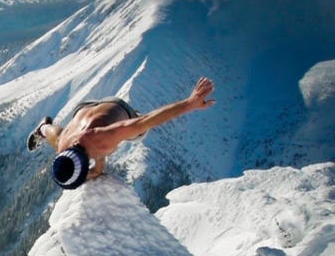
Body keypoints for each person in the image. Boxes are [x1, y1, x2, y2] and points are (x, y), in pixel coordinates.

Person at [27, 77, 216, 189]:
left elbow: (147, 121)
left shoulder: (105, 138)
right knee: (59, 139)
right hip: (82, 110)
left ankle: (44, 128)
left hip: (118, 108)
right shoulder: (63, 148)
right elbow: (92, 154)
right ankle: (44, 127)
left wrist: (189, 104)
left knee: (140, 132)